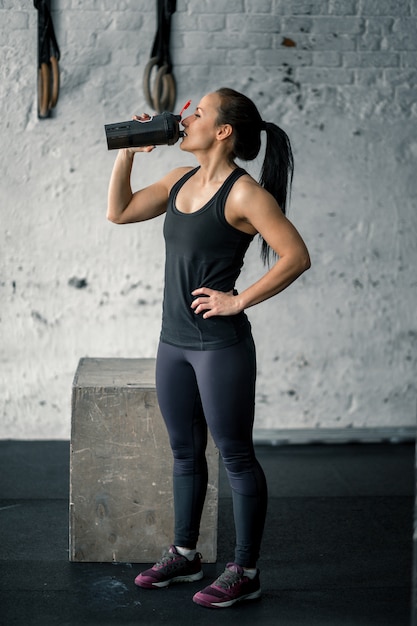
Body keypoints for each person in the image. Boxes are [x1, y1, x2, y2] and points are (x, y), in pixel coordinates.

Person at [107, 87, 311, 609]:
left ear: (222, 131)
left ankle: (244, 570)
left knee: (236, 457)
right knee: (183, 452)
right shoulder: (179, 179)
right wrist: (127, 153)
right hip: (172, 341)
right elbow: (121, 212)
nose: (184, 117)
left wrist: (238, 300)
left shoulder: (244, 195)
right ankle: (184, 553)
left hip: (219, 346)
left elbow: (295, 256)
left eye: (197, 112)